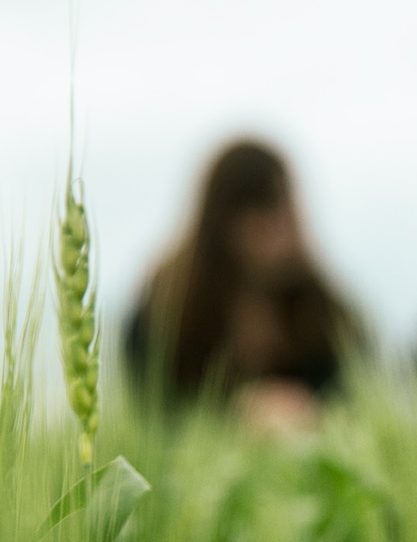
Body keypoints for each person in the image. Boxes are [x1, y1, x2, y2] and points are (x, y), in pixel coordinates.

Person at [126, 140, 358, 426]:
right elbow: (155, 415)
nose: (279, 228)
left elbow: (350, 401)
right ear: (224, 221)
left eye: (282, 207)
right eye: (261, 213)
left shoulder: (326, 314)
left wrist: (307, 409)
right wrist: (238, 411)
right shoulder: (163, 315)